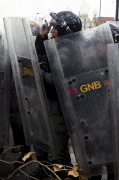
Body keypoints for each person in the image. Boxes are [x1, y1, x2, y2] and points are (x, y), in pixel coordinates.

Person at [35, 11, 82, 165]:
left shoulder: (66, 51)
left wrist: (39, 72)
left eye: (55, 27)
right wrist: (42, 37)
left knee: (57, 143)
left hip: (62, 104)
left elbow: (55, 81)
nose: (52, 30)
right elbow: (43, 55)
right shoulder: (61, 45)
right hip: (57, 101)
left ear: (64, 30)